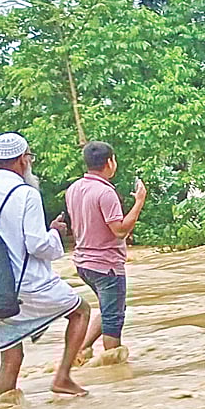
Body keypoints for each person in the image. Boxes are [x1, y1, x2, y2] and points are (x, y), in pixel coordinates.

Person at [0, 133, 90, 397]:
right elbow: (37, 245)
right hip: (27, 284)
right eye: (29, 157)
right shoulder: (26, 194)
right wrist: (55, 233)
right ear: (22, 160)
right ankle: (63, 377)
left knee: (10, 357)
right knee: (81, 311)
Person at [66, 141, 147, 358]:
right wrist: (139, 202)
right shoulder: (105, 192)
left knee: (108, 308)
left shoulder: (74, 189)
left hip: (83, 263)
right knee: (113, 318)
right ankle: (112, 366)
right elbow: (119, 231)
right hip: (107, 266)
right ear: (110, 162)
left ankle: (81, 349)